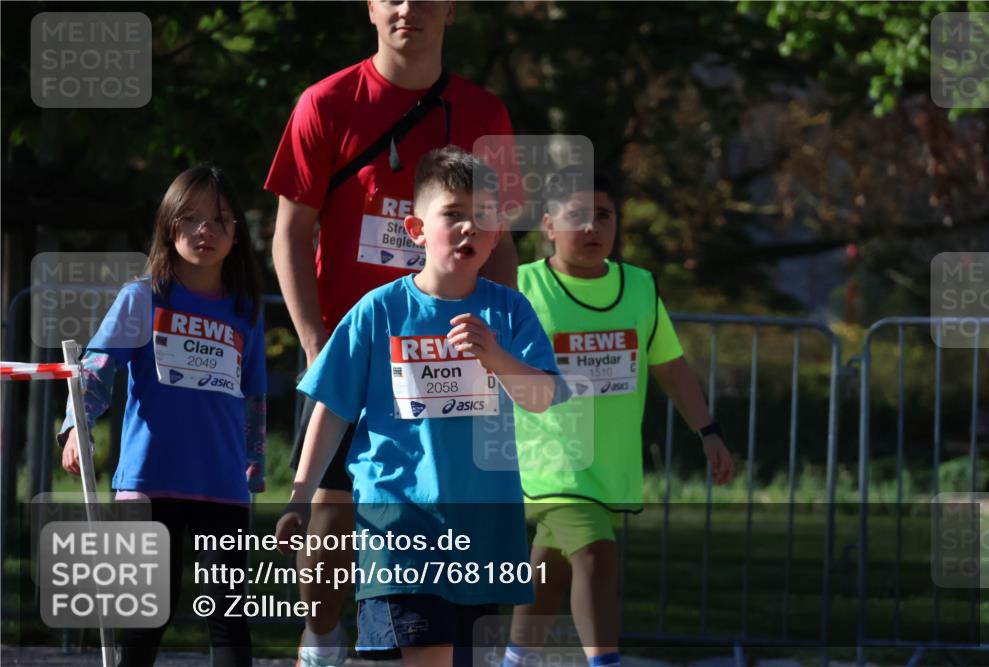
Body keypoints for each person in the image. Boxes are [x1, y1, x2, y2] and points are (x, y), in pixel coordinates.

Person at [264, 3, 520, 662]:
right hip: (355, 351)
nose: (409, 7)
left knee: (444, 506)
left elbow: (501, 247)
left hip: (448, 351)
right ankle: (320, 640)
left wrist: (502, 341)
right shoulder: (325, 103)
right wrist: (317, 341)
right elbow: (290, 234)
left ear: (452, 9)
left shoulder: (485, 114)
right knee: (332, 513)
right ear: (372, 7)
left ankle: (442, 640)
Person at [275, 147, 560, 667]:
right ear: (416, 229)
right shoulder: (379, 311)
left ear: (497, 235)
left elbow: (542, 397)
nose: (469, 229)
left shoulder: (509, 310)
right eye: (453, 214)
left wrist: (494, 355)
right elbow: (332, 407)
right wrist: (300, 494)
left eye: (483, 219)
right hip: (398, 524)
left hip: (483, 534)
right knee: (428, 655)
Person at [502, 170, 735, 667]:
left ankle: (516, 659)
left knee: (552, 566)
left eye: (603, 216)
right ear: (548, 224)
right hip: (548, 462)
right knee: (595, 555)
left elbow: (670, 366)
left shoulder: (640, 289)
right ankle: (604, 661)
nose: (591, 228)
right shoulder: (519, 287)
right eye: (577, 217)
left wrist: (708, 431)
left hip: (610, 465)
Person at [59, 165, 267, 667]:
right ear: (169, 226)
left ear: (236, 232)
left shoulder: (246, 310)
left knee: (230, 622)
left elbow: (254, 393)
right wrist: (75, 430)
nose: (205, 231)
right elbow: (96, 369)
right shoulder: (142, 297)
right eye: (191, 218)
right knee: (143, 625)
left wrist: (253, 459)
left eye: (219, 220)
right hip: (149, 484)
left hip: (222, 487)